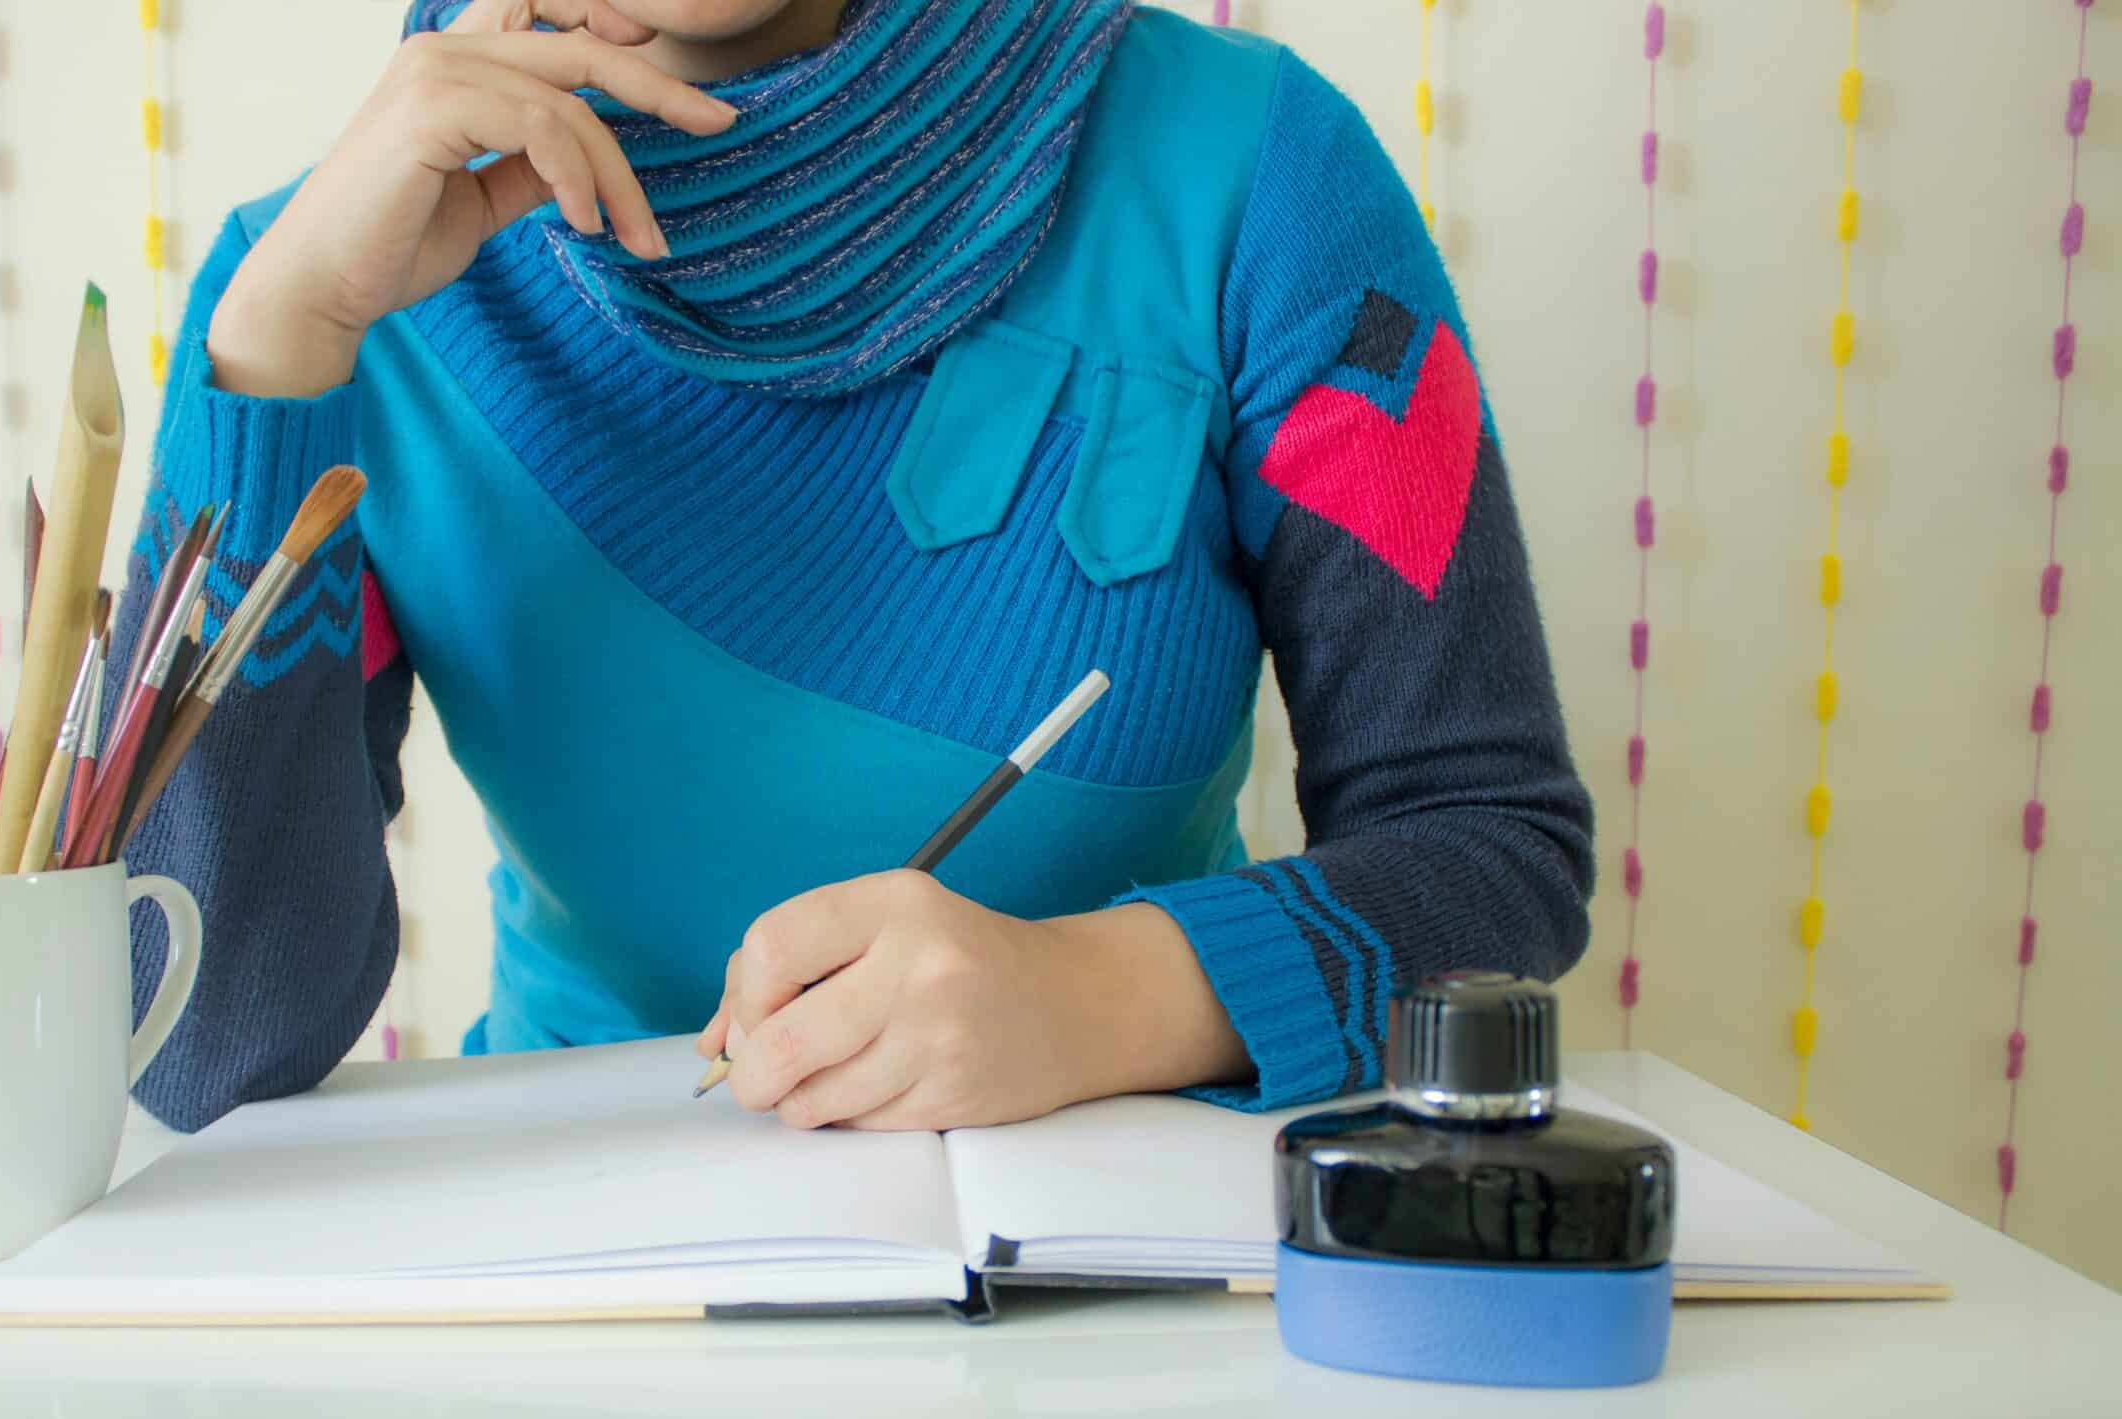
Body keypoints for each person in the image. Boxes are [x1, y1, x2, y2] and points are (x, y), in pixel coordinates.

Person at [114, 0, 1593, 1135]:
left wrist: (1105, 999)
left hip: (1124, 1266)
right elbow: (199, 1047)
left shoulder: (1264, 176)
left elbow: (1492, 848)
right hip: (571, 1272)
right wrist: (279, 357)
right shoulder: (315, 280)